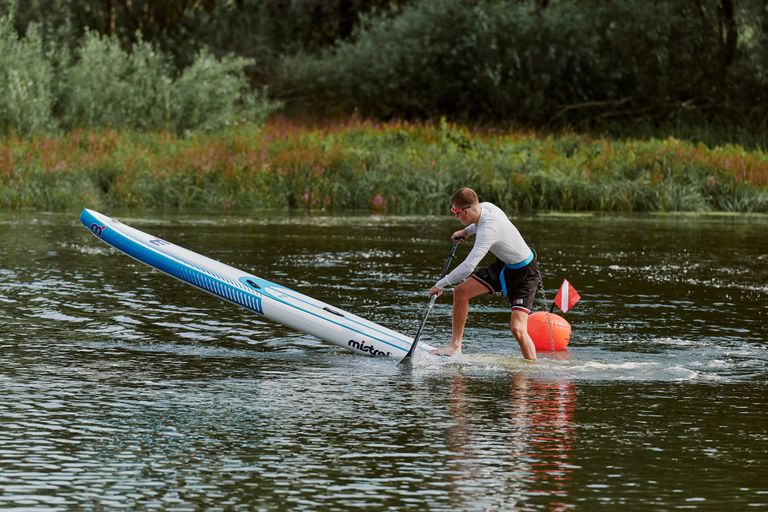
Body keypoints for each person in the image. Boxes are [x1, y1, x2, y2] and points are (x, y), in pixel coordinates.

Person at [429, 187, 540, 360]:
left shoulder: (489, 229)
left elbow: (468, 267)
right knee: (461, 292)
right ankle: (455, 346)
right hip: (504, 265)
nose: (455, 216)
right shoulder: (485, 207)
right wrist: (466, 232)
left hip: (525, 273)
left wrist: (439, 284)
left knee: (517, 329)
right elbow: (476, 224)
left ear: (465, 211)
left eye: (456, 212)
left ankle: (533, 369)